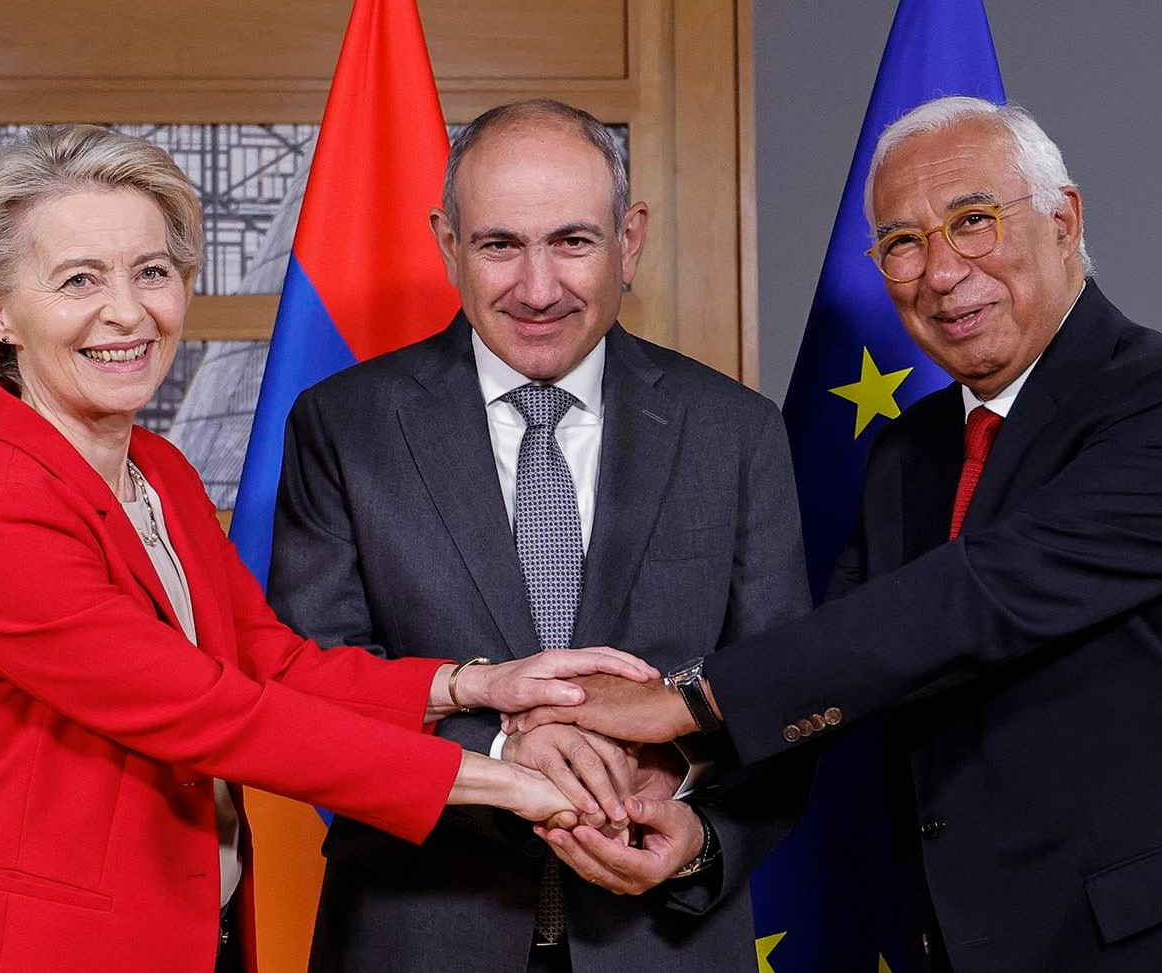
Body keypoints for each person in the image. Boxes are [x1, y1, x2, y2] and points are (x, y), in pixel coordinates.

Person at [510, 97, 1162, 973]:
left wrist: (686, 697)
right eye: (902, 242)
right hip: (968, 942)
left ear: (1064, 220)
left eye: (974, 220)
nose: (942, 272)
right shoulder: (909, 451)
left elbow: (975, 597)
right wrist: (689, 794)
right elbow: (844, 664)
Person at [0, 124, 661, 973]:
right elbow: (212, 712)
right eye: (80, 279)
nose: (129, 312)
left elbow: (271, 663)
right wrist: (506, 774)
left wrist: (473, 683)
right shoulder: (2, 516)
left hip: (194, 938)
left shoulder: (158, 471)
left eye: (152, 271)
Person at [266, 100, 811, 973]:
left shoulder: (735, 432)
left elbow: (785, 694)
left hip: (663, 941)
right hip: (417, 933)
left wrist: (702, 835)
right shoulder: (344, 426)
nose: (538, 288)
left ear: (629, 239)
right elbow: (311, 685)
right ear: (448, 244)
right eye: (499, 245)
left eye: (572, 241)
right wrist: (497, 750)